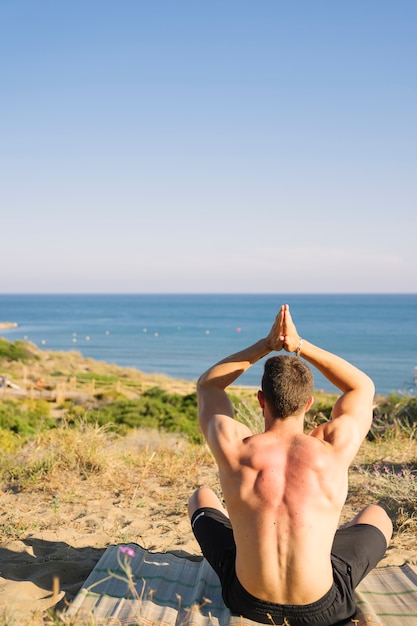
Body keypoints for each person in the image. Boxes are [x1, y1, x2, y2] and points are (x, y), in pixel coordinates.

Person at [188, 304, 392, 626]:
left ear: (260, 400)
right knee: (376, 514)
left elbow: (208, 385)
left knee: (201, 497)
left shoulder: (234, 446)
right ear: (309, 403)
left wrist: (267, 345)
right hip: (322, 606)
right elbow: (361, 387)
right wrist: (299, 346)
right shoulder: (332, 448)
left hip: (247, 601)